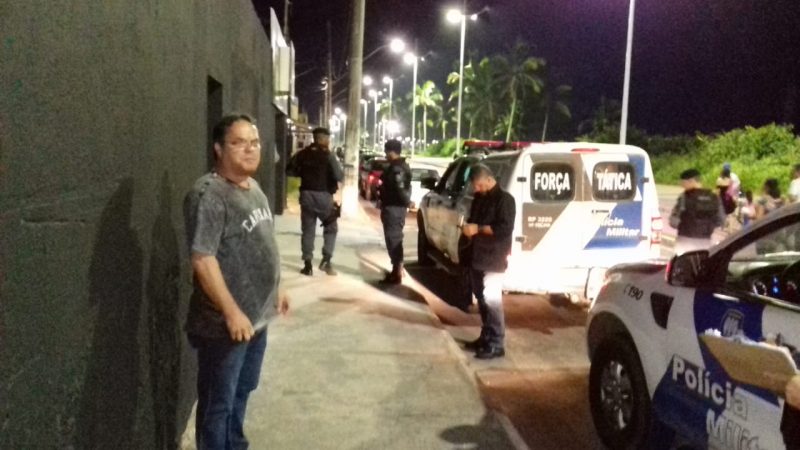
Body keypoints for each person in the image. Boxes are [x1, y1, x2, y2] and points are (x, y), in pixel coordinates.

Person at [183, 114, 290, 449]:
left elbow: (264, 241)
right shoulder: (209, 195)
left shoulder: (253, 188)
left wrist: (277, 286)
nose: (249, 149)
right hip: (224, 326)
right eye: (238, 142)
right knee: (218, 404)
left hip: (256, 319)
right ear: (218, 148)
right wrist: (231, 312)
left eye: (254, 142)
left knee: (241, 392)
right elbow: (203, 258)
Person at [461, 164, 516, 360]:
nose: (476, 189)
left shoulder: (505, 200)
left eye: (478, 185)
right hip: (476, 256)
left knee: (492, 300)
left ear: (489, 179)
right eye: (475, 186)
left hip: (494, 257)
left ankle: (497, 343)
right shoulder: (479, 198)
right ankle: (486, 336)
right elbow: (474, 220)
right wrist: (468, 228)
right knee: (481, 299)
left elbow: (504, 229)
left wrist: (477, 228)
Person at [287, 127, 344, 276]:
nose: (328, 141)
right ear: (323, 139)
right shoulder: (328, 155)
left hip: (306, 195)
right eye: (327, 138)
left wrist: (304, 174)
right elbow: (339, 176)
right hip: (323, 195)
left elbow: (290, 170)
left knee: (308, 230)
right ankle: (326, 260)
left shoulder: (302, 154)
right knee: (331, 227)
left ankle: (307, 265)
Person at [378, 139, 412, 284]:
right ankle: (397, 269)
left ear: (391, 152)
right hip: (392, 207)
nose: (385, 154)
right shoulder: (397, 166)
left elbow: (400, 188)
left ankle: (397, 272)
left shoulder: (397, 169)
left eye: (386, 151)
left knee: (393, 239)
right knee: (392, 238)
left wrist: (407, 202)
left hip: (394, 208)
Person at [669, 168, 726, 255]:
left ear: (691, 181)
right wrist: (707, 226)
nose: (682, 185)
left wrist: (685, 225)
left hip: (684, 242)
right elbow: (721, 220)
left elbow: (673, 222)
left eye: (683, 183)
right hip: (705, 243)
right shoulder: (714, 197)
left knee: (682, 263)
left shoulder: (684, 197)